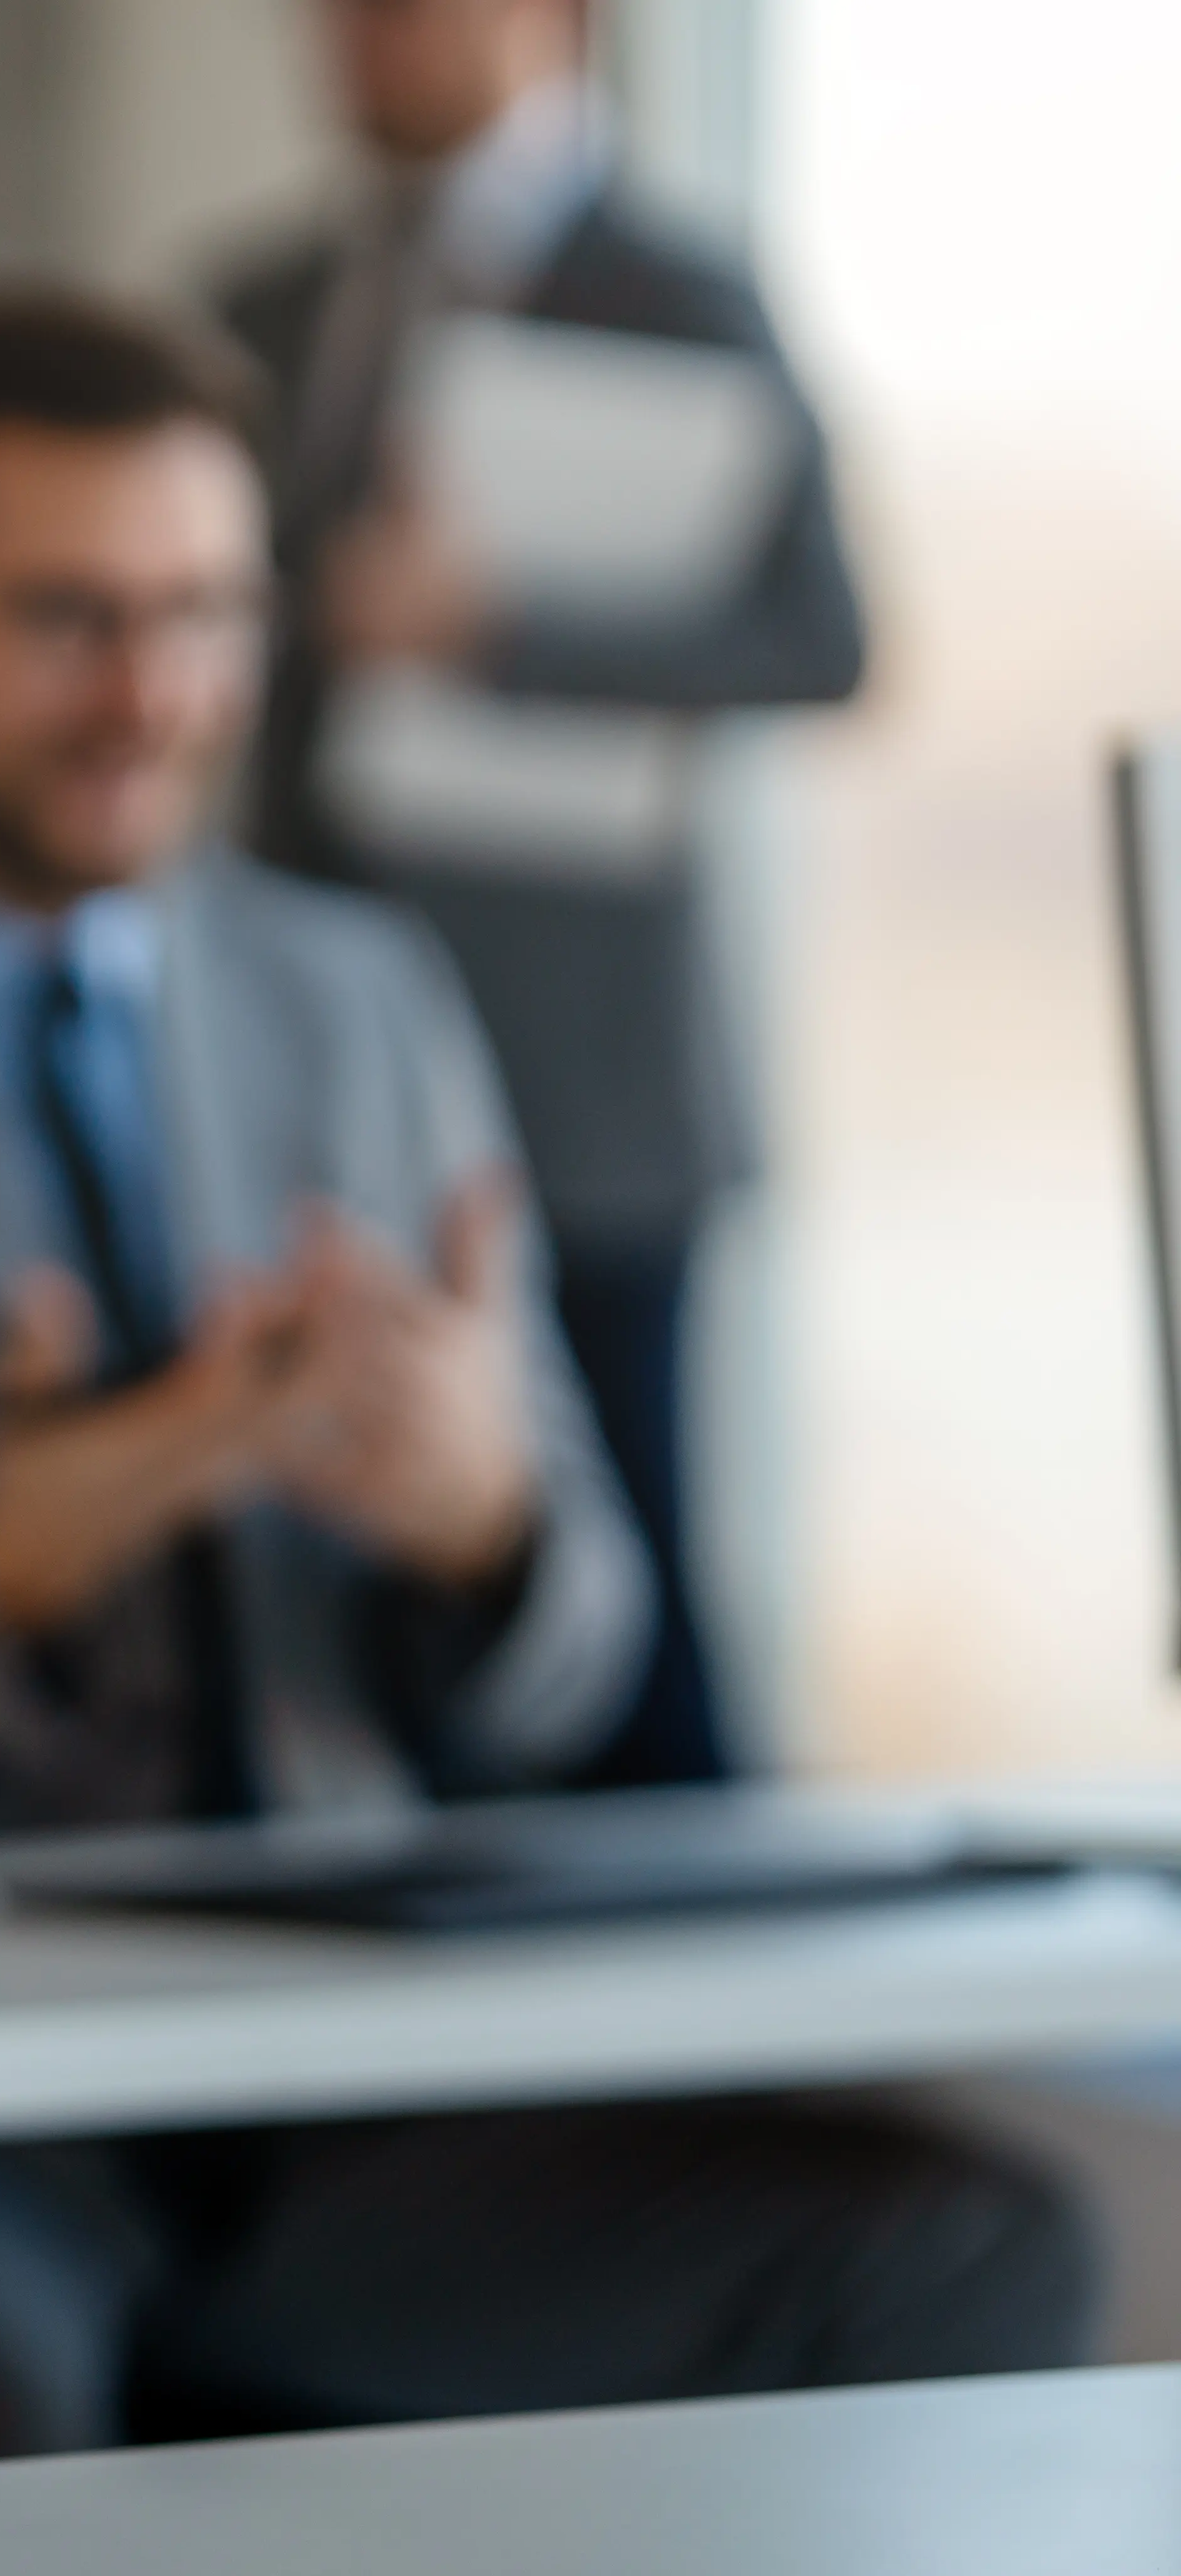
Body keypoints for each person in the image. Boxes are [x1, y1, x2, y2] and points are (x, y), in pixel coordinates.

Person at [0, 290, 1091, 2479]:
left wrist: (485, 1526)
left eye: (206, 613)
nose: (154, 693)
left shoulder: (355, 999)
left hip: (357, 2086)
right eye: (66, 618)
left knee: (964, 2245)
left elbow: (570, 1652)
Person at [214, 0, 868, 1788]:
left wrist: (491, 630)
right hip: (310, 1065)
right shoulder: (263, 300)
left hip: (584, 1086)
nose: (361, 36)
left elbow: (827, 638)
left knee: (633, 1615)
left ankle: (721, 2054)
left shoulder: (677, 289)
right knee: (374, 1611)